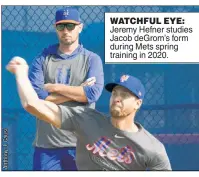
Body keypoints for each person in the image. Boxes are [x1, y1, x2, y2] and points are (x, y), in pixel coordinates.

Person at [7, 56, 171, 171]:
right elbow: (32, 105)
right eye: (114, 93)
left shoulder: (153, 148)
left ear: (138, 103)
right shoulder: (86, 119)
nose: (117, 98)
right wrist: (21, 73)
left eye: (125, 95)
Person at [28, 7, 104, 170]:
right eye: (61, 26)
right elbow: (36, 99)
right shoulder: (42, 59)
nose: (66, 31)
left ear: (80, 27)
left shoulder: (92, 59)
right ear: (55, 28)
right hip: (47, 148)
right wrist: (78, 91)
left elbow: (92, 93)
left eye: (70, 26)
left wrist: (54, 88)